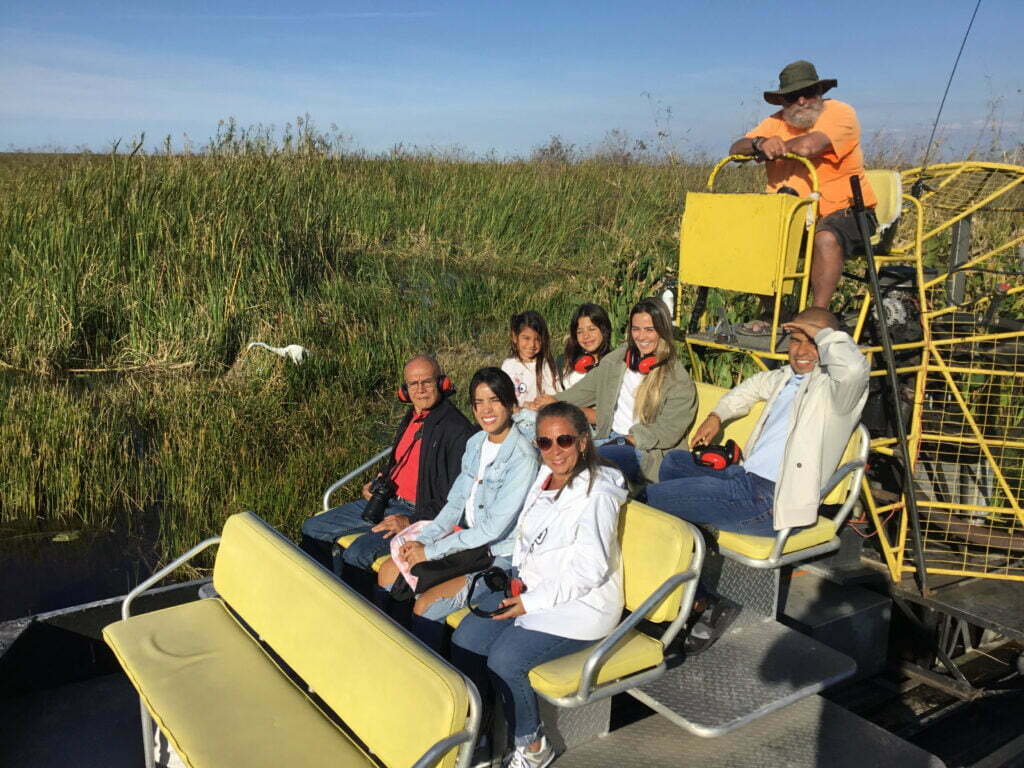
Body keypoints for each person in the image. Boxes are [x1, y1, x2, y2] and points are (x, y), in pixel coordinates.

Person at [450, 402, 626, 768]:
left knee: (506, 659)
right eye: (545, 442)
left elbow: (590, 568)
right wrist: (516, 583)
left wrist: (531, 602)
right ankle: (482, 733)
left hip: (581, 607)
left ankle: (532, 747)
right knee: (466, 639)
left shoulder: (597, 493)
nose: (555, 450)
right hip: (533, 590)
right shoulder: (544, 479)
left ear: (582, 441)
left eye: (564, 440)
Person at [644, 308, 869, 535]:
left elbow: (853, 369)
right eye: (795, 341)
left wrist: (821, 334)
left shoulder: (838, 393)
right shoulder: (786, 378)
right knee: (674, 462)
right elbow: (750, 389)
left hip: (772, 501)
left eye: (813, 343)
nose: (802, 350)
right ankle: (696, 522)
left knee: (648, 497)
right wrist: (717, 416)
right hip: (745, 479)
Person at [376, 367, 539, 648]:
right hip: (466, 540)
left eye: (494, 400)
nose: (486, 410)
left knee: (426, 606)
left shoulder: (522, 457)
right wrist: (421, 541)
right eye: (479, 402)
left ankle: (432, 673)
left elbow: (493, 529)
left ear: (510, 404)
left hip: (497, 555)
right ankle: (385, 647)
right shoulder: (476, 443)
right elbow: (454, 504)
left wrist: (430, 551)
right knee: (389, 571)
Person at [300, 355, 475, 577]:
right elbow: (400, 459)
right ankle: (316, 584)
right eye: (413, 383)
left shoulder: (457, 430)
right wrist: (379, 480)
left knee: (357, 553)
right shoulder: (413, 415)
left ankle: (355, 603)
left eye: (427, 382)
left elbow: (455, 499)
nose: (420, 390)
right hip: (387, 500)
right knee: (312, 528)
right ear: (405, 390)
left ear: (442, 384)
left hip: (418, 513)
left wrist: (410, 521)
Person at [729, 60, 877, 312]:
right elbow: (735, 149)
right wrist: (759, 144)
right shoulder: (775, 122)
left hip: (847, 211)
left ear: (820, 93)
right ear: (783, 101)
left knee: (826, 236)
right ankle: (774, 315)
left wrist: (777, 148)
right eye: (792, 96)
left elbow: (810, 146)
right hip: (790, 216)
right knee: (750, 235)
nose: (801, 101)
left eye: (808, 93)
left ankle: (816, 315)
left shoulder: (840, 113)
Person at [530, 297, 696, 486]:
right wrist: (554, 402)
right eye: (636, 329)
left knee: (582, 469)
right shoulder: (622, 357)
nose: (641, 337)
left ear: (663, 331)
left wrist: (626, 441)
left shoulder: (679, 381)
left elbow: (667, 431)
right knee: (540, 452)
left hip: (641, 448)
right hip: (605, 435)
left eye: (649, 330)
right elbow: (589, 387)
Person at [502, 310, 562, 406]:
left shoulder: (545, 366)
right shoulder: (507, 364)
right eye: (526, 338)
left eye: (538, 339)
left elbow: (553, 399)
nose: (532, 344)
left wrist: (536, 406)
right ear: (514, 337)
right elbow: (502, 397)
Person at [559, 303, 613, 388]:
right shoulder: (563, 362)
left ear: (604, 330)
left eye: (591, 329)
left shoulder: (616, 364)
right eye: (580, 331)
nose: (586, 336)